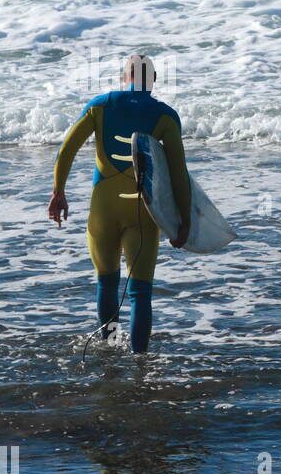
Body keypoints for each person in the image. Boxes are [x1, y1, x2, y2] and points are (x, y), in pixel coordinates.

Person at [48, 54, 191, 352]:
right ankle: (140, 360)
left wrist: (58, 192)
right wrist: (184, 219)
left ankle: (110, 347)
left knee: (107, 283)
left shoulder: (99, 106)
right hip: (142, 210)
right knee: (139, 291)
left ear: (122, 78)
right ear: (152, 80)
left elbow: (66, 151)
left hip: (103, 209)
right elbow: (179, 172)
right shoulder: (165, 115)